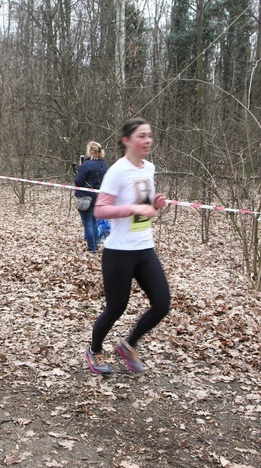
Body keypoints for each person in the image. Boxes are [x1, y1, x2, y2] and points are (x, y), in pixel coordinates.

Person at [83, 118, 170, 375]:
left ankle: (128, 345)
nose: (148, 140)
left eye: (149, 135)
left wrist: (154, 203)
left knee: (162, 303)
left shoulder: (148, 169)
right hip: (119, 252)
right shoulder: (117, 171)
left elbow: (143, 206)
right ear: (126, 141)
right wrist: (132, 208)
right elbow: (100, 210)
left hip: (144, 248)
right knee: (116, 307)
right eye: (141, 136)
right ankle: (94, 350)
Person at [74, 142, 107, 252]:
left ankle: (92, 248)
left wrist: (80, 169)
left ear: (91, 152)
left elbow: (78, 182)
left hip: (85, 197)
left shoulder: (86, 165)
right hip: (97, 197)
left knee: (88, 223)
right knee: (93, 221)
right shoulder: (103, 164)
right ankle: (96, 241)